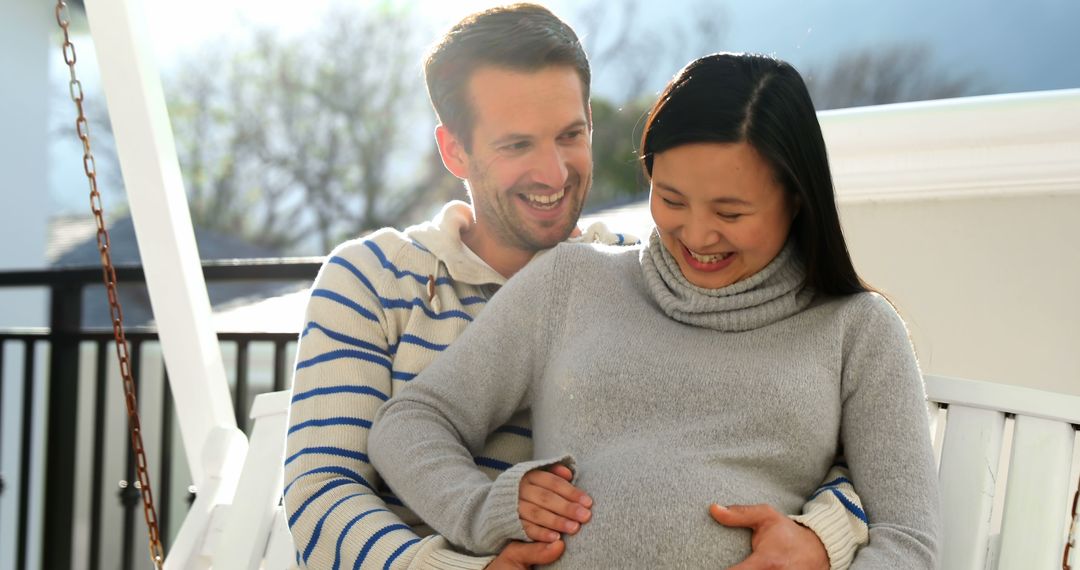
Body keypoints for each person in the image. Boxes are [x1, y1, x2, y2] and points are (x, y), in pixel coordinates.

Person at [285, 5, 869, 569]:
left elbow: (817, 438)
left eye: (569, 135)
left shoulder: (658, 278)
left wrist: (823, 534)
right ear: (454, 149)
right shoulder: (372, 276)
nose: (554, 172)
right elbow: (321, 493)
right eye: (517, 145)